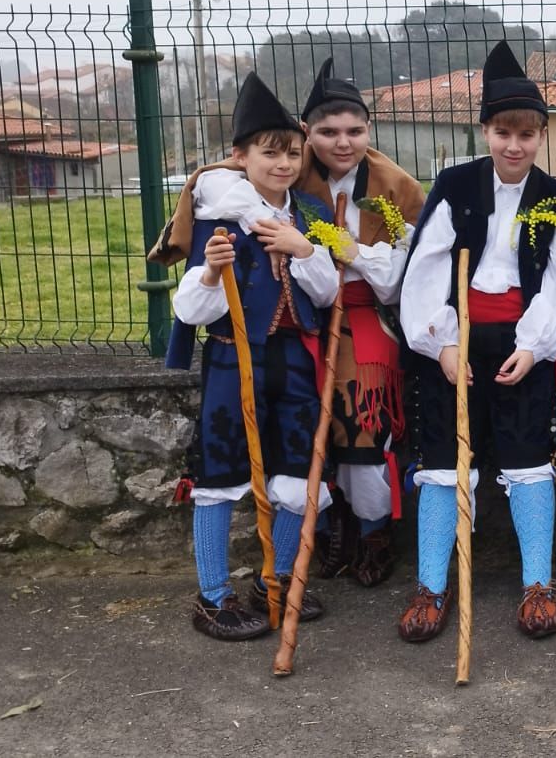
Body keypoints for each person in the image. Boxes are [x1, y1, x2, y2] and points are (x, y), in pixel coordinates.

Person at [396, 41, 556, 642]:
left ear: (542, 135)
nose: (514, 145)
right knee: (446, 462)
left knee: (529, 458)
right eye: (503, 131)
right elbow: (425, 269)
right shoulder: (454, 186)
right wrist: (442, 344)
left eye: (527, 134)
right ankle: (431, 584)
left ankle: (537, 582)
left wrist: (533, 346)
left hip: (520, 344)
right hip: (454, 341)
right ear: (484, 131)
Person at [153, 73, 339, 640]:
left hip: (295, 363)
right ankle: (212, 598)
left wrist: (303, 251)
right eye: (268, 152)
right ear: (239, 156)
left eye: (290, 152)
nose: (282, 164)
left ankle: (275, 580)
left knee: (301, 474)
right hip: (234, 363)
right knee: (220, 475)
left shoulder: (307, 213)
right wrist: (211, 269)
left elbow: (327, 294)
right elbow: (189, 311)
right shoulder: (215, 218)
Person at [292, 59, 425, 588]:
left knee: (361, 429)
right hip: (299, 315)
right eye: (327, 132)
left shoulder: (396, 185)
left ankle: (373, 534)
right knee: (302, 435)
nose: (342, 143)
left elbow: (400, 280)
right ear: (307, 131)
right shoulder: (288, 170)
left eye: (354, 131)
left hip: (366, 311)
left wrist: (355, 252)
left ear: (369, 130)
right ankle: (325, 531)